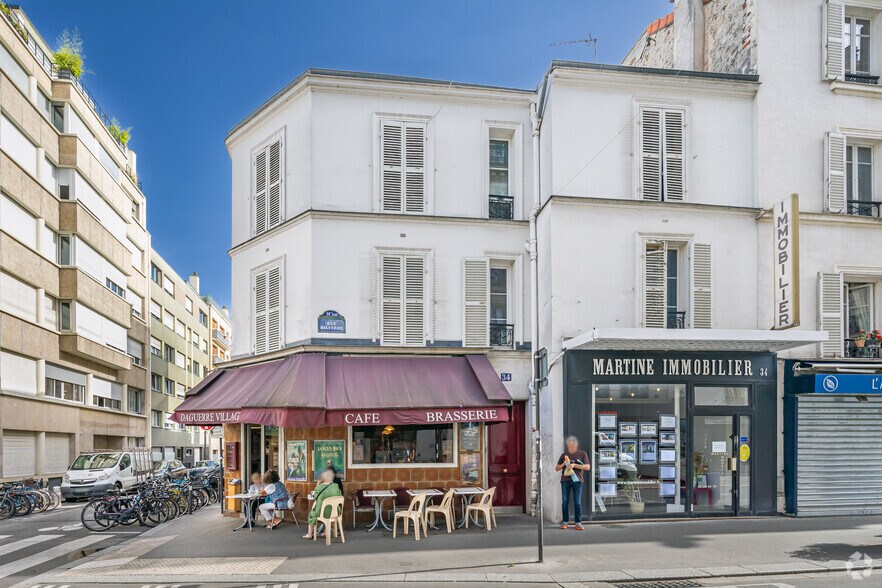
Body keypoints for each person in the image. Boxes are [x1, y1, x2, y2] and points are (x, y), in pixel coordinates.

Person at [555, 435, 590, 530]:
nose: (571, 446)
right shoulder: (564, 455)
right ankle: (565, 521)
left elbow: (587, 467)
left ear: (576, 445)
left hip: (577, 481)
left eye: (573, 444)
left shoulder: (583, 454)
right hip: (565, 481)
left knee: (577, 502)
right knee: (565, 501)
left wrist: (574, 465)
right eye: (569, 444)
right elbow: (556, 468)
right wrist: (564, 464)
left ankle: (578, 522)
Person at [303, 469, 343, 539]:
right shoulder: (336, 486)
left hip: (321, 512)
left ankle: (309, 534)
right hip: (336, 512)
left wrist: (318, 483)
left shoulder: (319, 487)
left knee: (312, 514)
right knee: (329, 510)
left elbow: (315, 496)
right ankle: (325, 532)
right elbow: (339, 495)